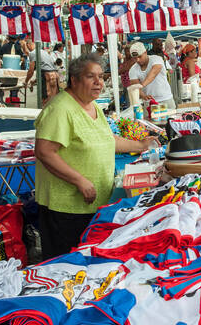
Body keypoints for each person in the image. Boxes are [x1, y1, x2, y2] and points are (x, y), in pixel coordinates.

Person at [34, 53, 156, 259]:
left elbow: (107, 139)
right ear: (74, 80)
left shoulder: (92, 106)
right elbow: (44, 151)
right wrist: (79, 180)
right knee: (65, 265)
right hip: (65, 209)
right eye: (91, 77)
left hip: (91, 206)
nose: (99, 82)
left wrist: (141, 144)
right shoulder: (60, 109)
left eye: (101, 76)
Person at [127, 41, 174, 106]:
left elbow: (154, 73)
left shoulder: (156, 59)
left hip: (165, 99)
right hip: (148, 102)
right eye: (135, 58)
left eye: (140, 57)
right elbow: (136, 87)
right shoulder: (133, 69)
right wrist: (143, 95)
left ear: (145, 52)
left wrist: (142, 85)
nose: (137, 60)